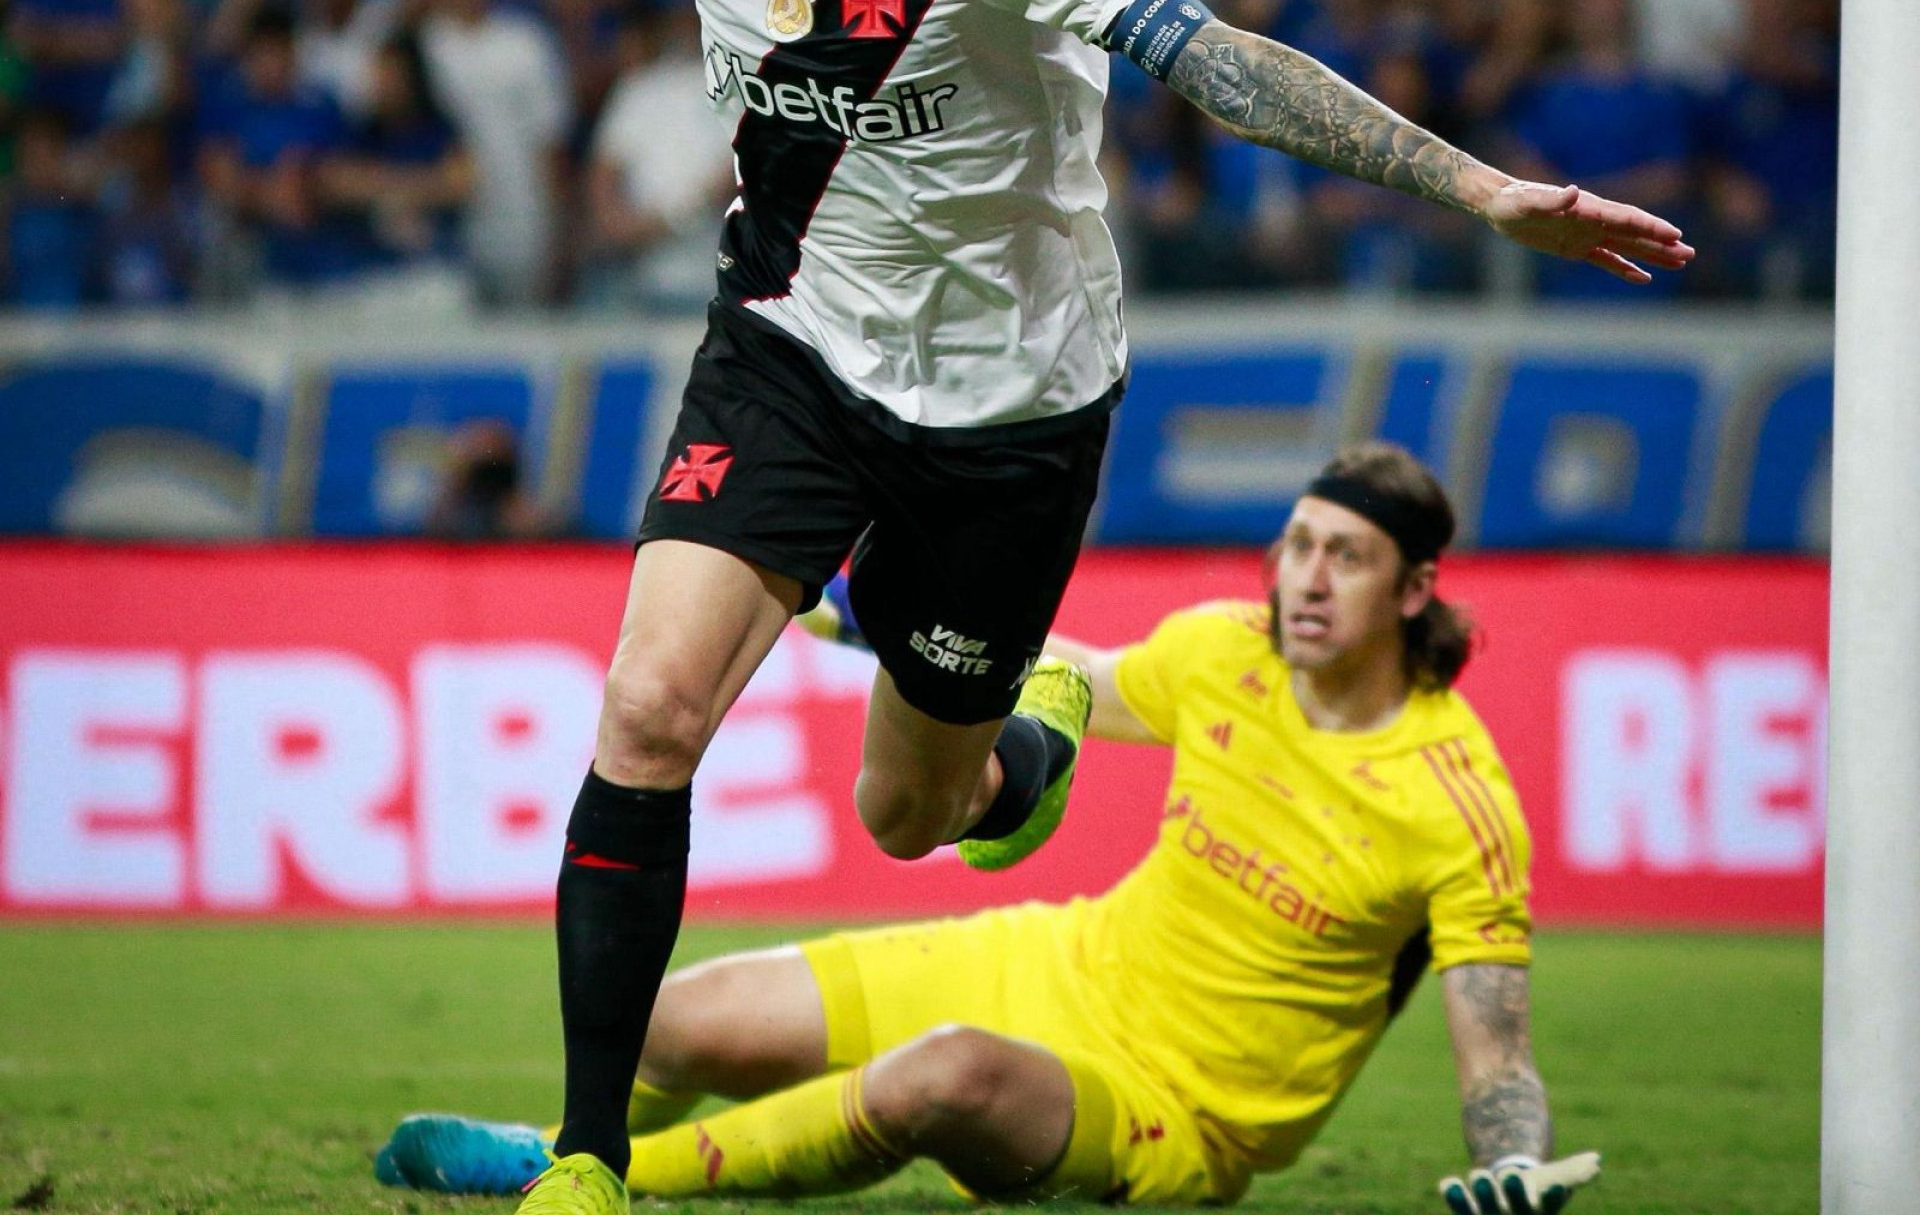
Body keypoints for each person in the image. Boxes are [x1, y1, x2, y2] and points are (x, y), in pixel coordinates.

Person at [194, 0, 1684, 1215]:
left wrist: (1479, 189)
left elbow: (1228, 68)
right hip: (790, 346)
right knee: (646, 714)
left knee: (909, 816)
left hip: (1009, 413)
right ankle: (586, 1163)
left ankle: (1020, 749)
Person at [375, 444, 1602, 1215]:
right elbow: (1074, 676)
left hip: (1180, 1108)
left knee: (945, 1077)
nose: (1306, 580)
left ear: (1416, 588)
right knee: (675, 1018)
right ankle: (576, 1142)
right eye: (1297, 547)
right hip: (1063, 961)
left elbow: (1497, 1054)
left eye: (1346, 557)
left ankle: (567, 1172)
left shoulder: (1458, 802)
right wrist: (885, 622)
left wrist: (1514, 1165)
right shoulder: (1229, 651)